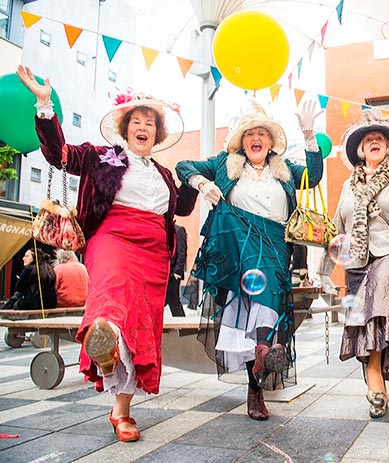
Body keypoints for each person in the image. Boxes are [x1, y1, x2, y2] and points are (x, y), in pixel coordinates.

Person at [17, 65, 197, 442]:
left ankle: (122, 411)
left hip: (155, 256)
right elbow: (60, 155)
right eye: (137, 120)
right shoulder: (103, 157)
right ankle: (103, 335)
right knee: (112, 296)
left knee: (140, 329)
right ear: (126, 126)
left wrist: (200, 182)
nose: (144, 126)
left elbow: (180, 207)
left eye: (150, 121)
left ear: (157, 133)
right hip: (112, 237)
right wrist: (45, 104)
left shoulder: (163, 174)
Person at [176, 100, 324, 421]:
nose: (255, 138)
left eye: (262, 134)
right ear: (242, 142)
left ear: (270, 142)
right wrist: (203, 183)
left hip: (274, 243)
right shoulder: (224, 164)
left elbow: (313, 177)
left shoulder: (285, 171)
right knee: (247, 311)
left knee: (266, 301)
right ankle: (257, 380)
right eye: (249, 134)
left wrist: (309, 134)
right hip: (236, 243)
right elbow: (183, 165)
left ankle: (261, 362)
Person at [318, 110, 389, 419]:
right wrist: (324, 273)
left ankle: (376, 370)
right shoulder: (349, 187)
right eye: (367, 140)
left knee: (382, 284)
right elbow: (337, 231)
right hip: (357, 261)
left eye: (380, 138)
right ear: (360, 152)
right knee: (367, 319)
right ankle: (378, 390)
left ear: (388, 147)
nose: (374, 141)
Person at [165, 224, 187, 317]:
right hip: (162, 273)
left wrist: (177, 272)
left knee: (174, 302)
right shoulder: (159, 229)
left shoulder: (178, 230)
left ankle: (184, 329)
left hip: (173, 273)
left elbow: (182, 253)